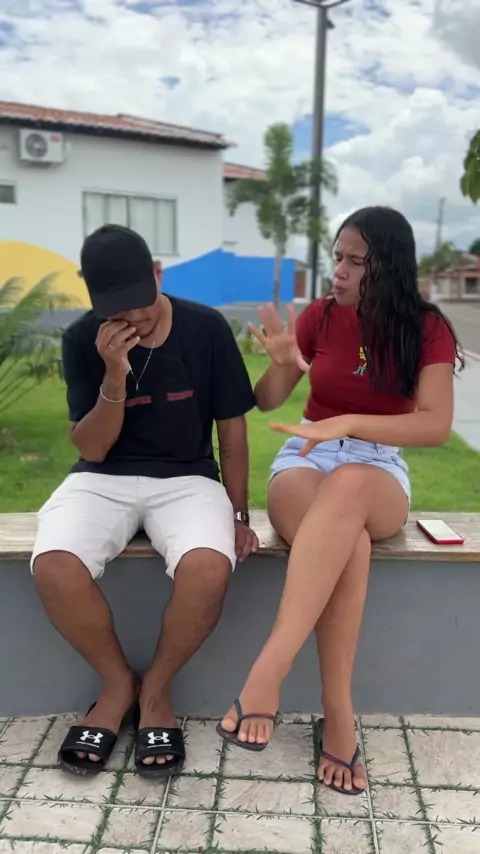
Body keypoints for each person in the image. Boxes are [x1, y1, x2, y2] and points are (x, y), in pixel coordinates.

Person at [218, 206, 463, 795]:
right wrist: (283, 364)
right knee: (345, 542)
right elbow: (268, 399)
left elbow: (434, 424)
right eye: (337, 257)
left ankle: (269, 669)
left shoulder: (426, 328)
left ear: (390, 268)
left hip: (376, 468)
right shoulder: (320, 316)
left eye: (357, 262)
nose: (340, 271)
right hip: (306, 458)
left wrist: (350, 423)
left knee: (350, 486)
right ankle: (338, 712)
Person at [32, 224, 259, 779]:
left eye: (139, 301)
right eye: (117, 309)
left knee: (209, 567)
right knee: (54, 565)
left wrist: (238, 515)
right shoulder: (84, 338)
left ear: (158, 273)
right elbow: (91, 447)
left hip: (187, 478)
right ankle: (116, 687)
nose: (132, 318)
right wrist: (114, 376)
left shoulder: (206, 328)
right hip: (102, 476)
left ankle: (156, 690)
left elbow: (231, 430)